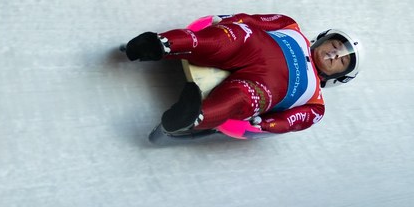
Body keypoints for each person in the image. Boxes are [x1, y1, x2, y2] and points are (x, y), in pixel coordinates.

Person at [123, 13, 361, 137]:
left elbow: (292, 122)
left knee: (241, 98)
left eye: (342, 60)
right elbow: (252, 21)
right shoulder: (291, 26)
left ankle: (195, 115)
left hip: (266, 86)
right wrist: (230, 21)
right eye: (336, 46)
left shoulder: (316, 103)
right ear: (324, 38)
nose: (334, 54)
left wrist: (267, 124)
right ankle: (159, 44)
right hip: (253, 44)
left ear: (339, 76)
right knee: (225, 39)